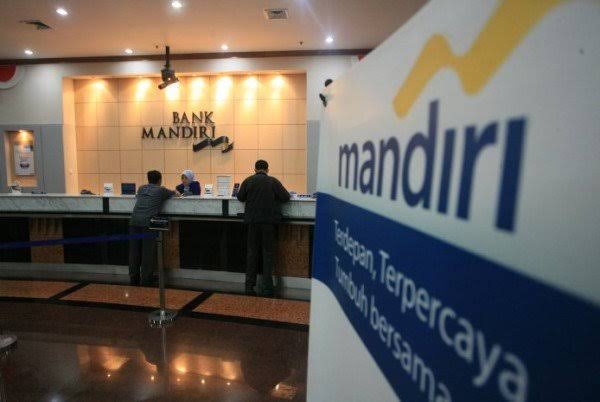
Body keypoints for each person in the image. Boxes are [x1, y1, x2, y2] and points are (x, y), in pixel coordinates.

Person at [237, 160, 290, 296]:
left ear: (255, 169)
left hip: (252, 222)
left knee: (252, 254)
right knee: (268, 255)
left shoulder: (248, 180)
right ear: (267, 170)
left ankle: (249, 286)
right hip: (268, 223)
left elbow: (240, 197)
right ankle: (267, 288)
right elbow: (286, 197)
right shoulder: (273, 181)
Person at [129, 170, 176, 286]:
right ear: (160, 180)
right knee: (147, 252)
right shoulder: (161, 190)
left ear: (148, 179)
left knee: (134, 251)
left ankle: (133, 277)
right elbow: (174, 193)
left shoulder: (141, 188)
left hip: (134, 221)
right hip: (147, 223)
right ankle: (146, 279)